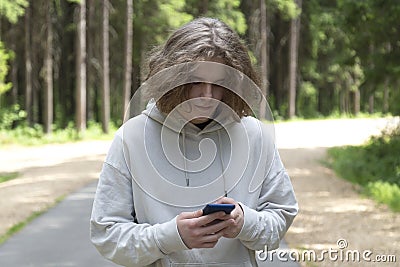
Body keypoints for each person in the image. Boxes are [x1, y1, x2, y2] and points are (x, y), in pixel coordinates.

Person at [90, 17, 298, 267]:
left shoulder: (255, 136)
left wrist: (245, 222)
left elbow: (280, 219)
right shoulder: (131, 138)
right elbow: (108, 236)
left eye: (218, 83)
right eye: (196, 81)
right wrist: (171, 237)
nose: (207, 96)